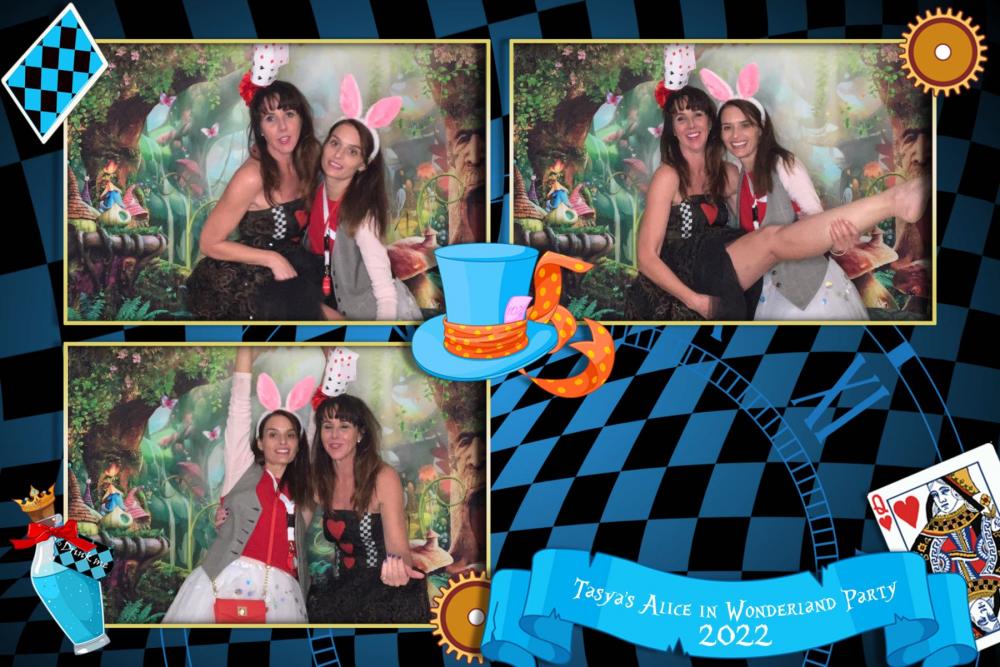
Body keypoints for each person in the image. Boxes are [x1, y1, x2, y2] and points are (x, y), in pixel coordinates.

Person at [625, 85, 927, 321]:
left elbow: (783, 216)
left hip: (730, 267)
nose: (691, 124)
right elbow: (646, 257)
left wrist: (837, 244)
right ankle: (893, 200)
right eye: (681, 118)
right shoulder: (668, 175)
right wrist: (696, 301)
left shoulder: (729, 173)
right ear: (672, 128)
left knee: (771, 238)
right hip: (687, 273)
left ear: (709, 123)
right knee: (770, 239)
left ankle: (896, 200)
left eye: (698, 115)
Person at [163, 347, 315, 623]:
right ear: (260, 442)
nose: (282, 442)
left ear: (298, 444)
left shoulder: (302, 489)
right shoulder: (241, 469)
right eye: (273, 434)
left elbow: (318, 428)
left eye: (290, 435)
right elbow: (239, 411)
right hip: (229, 582)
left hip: (282, 594)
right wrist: (245, 357)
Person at [185, 79, 333, 321]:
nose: (283, 127)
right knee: (326, 318)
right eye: (270, 118)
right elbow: (209, 243)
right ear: (260, 129)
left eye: (289, 114)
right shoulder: (252, 177)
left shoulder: (308, 159)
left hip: (293, 266)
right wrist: (272, 259)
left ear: (302, 119)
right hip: (247, 278)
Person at [718, 99, 867, 320]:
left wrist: (837, 243)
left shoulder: (784, 165)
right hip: (767, 291)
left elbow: (818, 222)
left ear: (760, 128)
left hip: (810, 290)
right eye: (727, 127)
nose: (735, 135)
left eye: (745, 125)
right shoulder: (738, 176)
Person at [306, 392, 430, 623]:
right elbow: (290, 522)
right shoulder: (318, 479)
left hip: (386, 594)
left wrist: (398, 568)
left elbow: (399, 549)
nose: (334, 435)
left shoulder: (383, 477)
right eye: (327, 426)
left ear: (360, 433)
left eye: (344, 426)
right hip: (340, 592)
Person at [305, 75, 420, 321]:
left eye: (352, 151)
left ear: (362, 164)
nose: (338, 155)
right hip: (323, 299)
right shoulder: (315, 189)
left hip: (365, 313)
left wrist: (377, 336)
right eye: (334, 143)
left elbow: (385, 294)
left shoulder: (363, 217)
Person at [910, 472, 1000, 584]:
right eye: (935, 495)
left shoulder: (982, 516)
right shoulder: (931, 530)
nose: (941, 500)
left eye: (944, 491)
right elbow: (916, 568)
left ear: (955, 490)